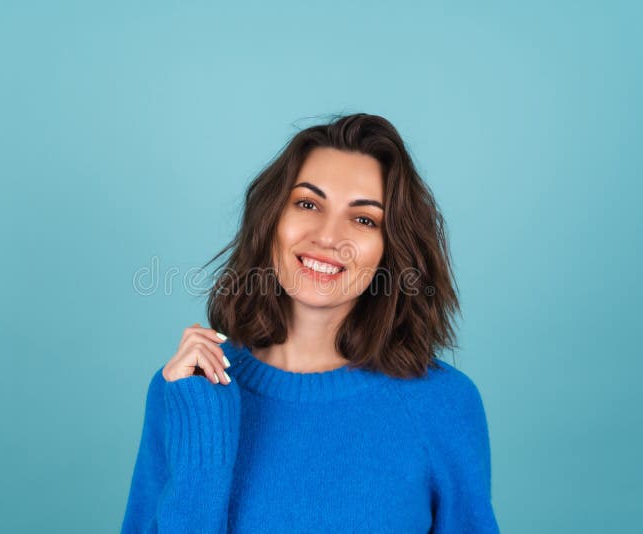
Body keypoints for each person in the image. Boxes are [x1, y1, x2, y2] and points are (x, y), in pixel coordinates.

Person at [120, 113, 500, 533]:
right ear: (271, 221)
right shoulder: (188, 392)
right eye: (307, 204)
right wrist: (200, 435)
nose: (327, 236)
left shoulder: (443, 405)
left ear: (390, 250)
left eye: (363, 219)